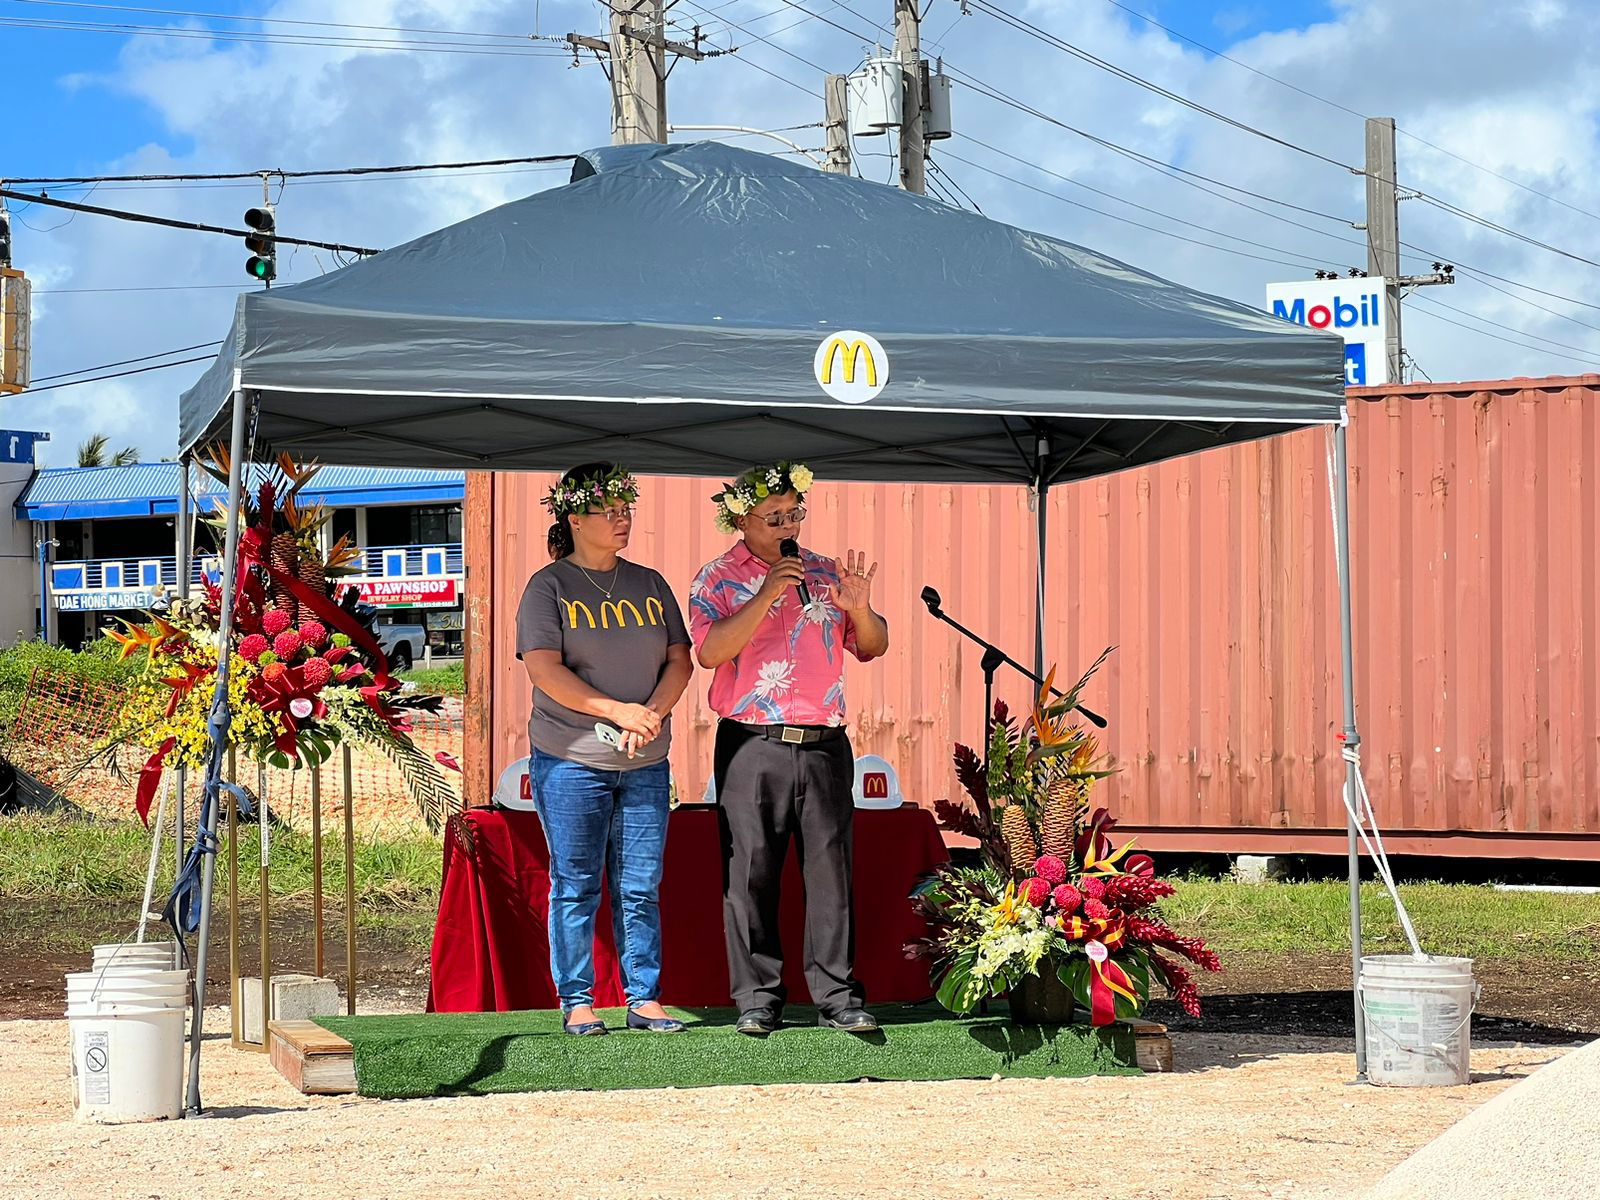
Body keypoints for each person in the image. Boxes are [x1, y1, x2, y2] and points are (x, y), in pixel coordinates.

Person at [689, 462, 889, 1035]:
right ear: (742, 520)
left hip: (825, 743)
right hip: (754, 743)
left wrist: (858, 609)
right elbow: (710, 651)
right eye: (773, 517)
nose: (786, 525)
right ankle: (757, 998)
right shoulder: (718, 578)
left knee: (831, 872)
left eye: (793, 514)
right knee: (750, 872)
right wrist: (767, 593)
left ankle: (837, 995)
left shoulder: (826, 572)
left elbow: (872, 646)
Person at [517, 462, 694, 1035]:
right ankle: (578, 1001)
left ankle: (643, 997)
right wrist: (619, 711)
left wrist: (653, 715)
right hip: (572, 760)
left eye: (627, 509)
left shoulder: (649, 582)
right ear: (575, 518)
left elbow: (679, 659)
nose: (623, 521)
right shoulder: (549, 587)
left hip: (645, 760)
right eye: (609, 511)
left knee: (641, 884)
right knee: (577, 884)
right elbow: (544, 670)